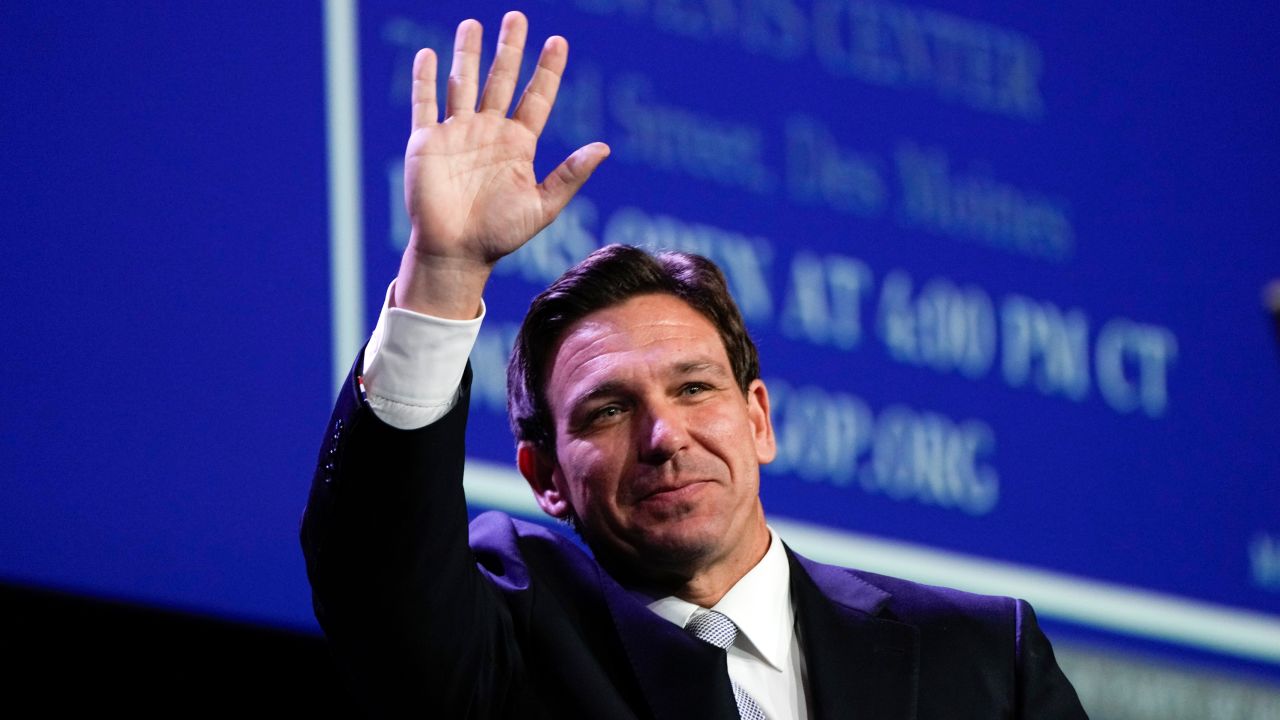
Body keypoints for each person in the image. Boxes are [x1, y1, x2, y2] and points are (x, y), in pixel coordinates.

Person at [301, 11, 1087, 719]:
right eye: (608, 410)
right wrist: (443, 272)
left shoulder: (982, 658)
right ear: (544, 476)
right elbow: (379, 574)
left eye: (694, 387)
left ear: (758, 419)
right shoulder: (514, 634)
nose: (663, 434)